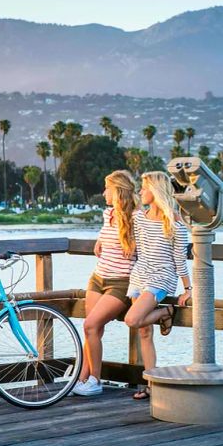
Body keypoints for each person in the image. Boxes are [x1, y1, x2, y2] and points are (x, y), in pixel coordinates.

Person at [123, 171, 192, 400]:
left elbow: (179, 258)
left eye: (144, 188)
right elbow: (135, 244)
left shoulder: (174, 221)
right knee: (143, 331)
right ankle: (150, 383)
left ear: (156, 191)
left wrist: (187, 288)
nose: (141, 192)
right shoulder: (140, 218)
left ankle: (167, 311)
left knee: (132, 319)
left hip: (161, 277)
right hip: (140, 274)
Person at [72, 170, 139, 397]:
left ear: (117, 191)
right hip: (98, 278)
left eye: (107, 189)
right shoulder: (108, 214)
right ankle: (81, 378)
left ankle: (95, 380)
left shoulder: (138, 218)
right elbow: (108, 236)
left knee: (90, 326)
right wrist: (100, 240)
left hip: (120, 283)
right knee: (93, 329)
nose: (103, 193)